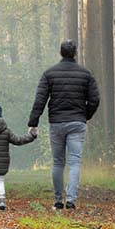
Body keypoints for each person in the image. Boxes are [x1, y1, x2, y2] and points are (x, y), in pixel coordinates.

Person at [27, 40, 100, 210]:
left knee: (58, 162)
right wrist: (85, 115)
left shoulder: (49, 74)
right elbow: (95, 99)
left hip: (57, 123)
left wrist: (33, 123)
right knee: (74, 162)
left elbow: (40, 100)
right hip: (77, 122)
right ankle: (71, 200)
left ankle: (58, 200)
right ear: (75, 53)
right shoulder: (86, 74)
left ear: (60, 53)